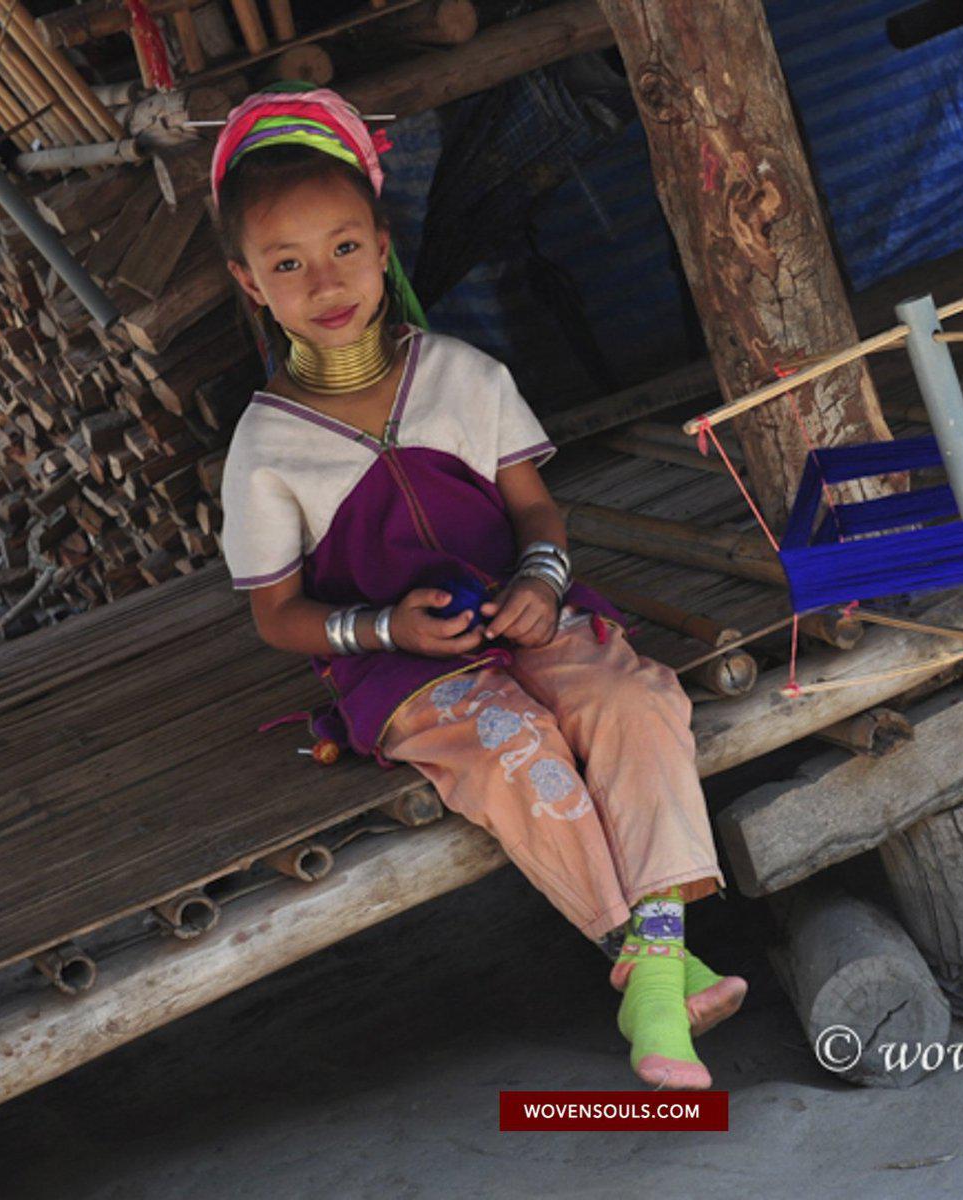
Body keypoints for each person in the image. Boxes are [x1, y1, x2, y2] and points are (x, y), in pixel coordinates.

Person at [213, 85, 745, 1090]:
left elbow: (537, 511)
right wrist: (386, 629)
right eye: (287, 264)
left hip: (525, 612)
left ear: (383, 246)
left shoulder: (464, 375)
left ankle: (654, 974)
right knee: (517, 750)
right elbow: (276, 615)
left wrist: (541, 582)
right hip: (404, 670)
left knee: (633, 703)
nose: (324, 282)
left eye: (344, 248)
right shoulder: (266, 447)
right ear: (249, 282)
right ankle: (657, 981)